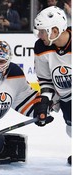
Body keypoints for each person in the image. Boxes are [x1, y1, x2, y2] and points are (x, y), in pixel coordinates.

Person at [33, 6, 71, 164]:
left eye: (42, 31)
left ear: (54, 30)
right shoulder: (41, 47)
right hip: (65, 97)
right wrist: (45, 101)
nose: (39, 35)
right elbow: (46, 80)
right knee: (71, 130)